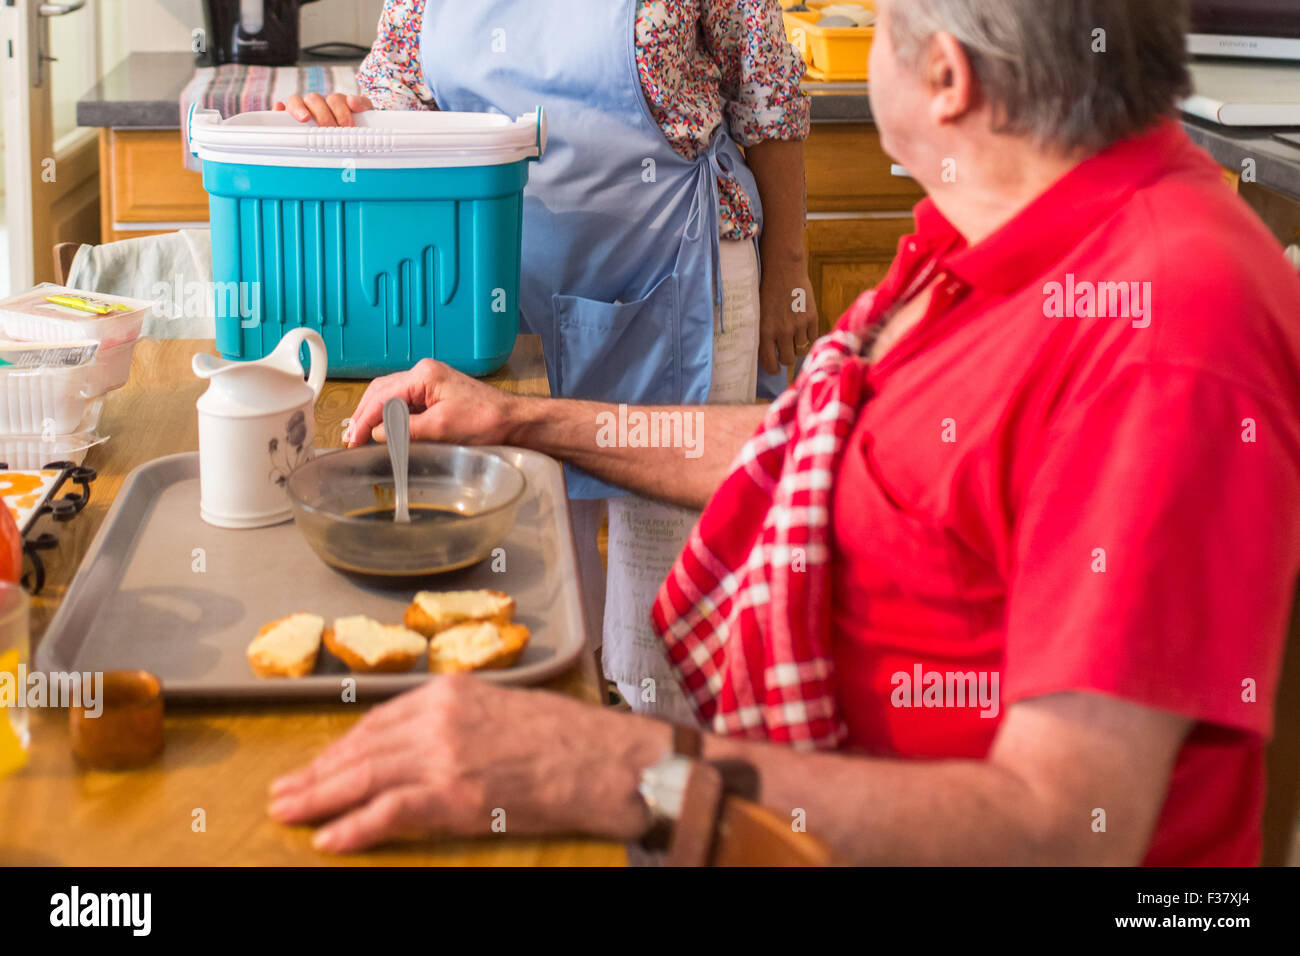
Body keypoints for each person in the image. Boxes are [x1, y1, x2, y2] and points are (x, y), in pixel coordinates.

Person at [269, 0, 1300, 865]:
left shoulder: (1163, 325)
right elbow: (816, 451)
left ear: (943, 78)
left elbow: (1071, 825)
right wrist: (526, 419)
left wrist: (618, 765)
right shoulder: (981, 236)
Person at [276, 1, 818, 720]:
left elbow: (769, 105)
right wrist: (350, 119)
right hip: (496, 297)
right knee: (528, 555)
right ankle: (562, 759)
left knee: (668, 576)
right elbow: (401, 106)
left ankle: (671, 789)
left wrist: (789, 270)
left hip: (679, 277)